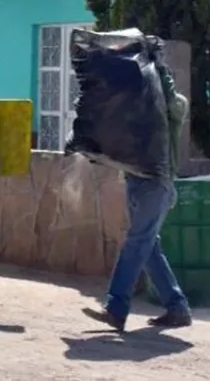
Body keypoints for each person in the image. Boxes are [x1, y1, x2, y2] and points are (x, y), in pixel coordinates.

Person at [82, 60, 192, 332]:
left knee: (136, 243)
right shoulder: (137, 108)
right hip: (137, 183)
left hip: (156, 185)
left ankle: (116, 308)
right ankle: (177, 308)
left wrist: (160, 75)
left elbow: (170, 103)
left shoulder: (174, 105)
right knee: (149, 248)